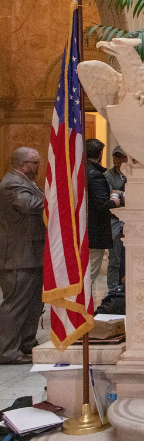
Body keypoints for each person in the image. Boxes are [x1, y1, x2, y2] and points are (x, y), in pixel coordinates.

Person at [0, 147, 45, 364]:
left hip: (32, 253)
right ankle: (7, 351)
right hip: (18, 256)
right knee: (16, 305)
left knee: (33, 304)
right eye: (34, 163)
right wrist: (57, 199)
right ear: (22, 164)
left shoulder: (26, 181)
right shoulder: (11, 183)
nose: (38, 167)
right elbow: (29, 205)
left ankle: (27, 344)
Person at [85, 139, 120, 296]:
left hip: (81, 232)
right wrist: (114, 201)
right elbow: (102, 205)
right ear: (101, 154)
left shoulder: (78, 171)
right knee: (89, 276)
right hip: (95, 233)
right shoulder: (96, 176)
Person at [104, 146, 128, 295]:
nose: (118, 160)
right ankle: (112, 289)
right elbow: (109, 193)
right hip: (114, 219)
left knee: (127, 256)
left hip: (129, 219)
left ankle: (126, 285)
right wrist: (122, 194)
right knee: (114, 258)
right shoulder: (108, 175)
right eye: (115, 156)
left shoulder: (129, 174)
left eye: (121, 157)